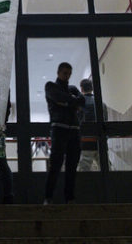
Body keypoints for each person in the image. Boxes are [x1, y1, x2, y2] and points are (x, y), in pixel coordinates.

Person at [44, 62, 85, 204]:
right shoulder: (50, 86)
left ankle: (70, 198)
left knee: (72, 167)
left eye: (69, 74)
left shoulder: (73, 89)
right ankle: (48, 197)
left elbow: (82, 101)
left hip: (74, 131)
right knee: (55, 165)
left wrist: (68, 103)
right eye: (65, 73)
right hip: (59, 130)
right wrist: (73, 104)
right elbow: (61, 98)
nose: (67, 76)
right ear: (59, 73)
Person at [77, 78, 99, 172]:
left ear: (81, 89)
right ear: (92, 88)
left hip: (85, 142)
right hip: (100, 141)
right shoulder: (100, 103)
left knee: (84, 171)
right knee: (107, 169)